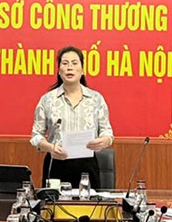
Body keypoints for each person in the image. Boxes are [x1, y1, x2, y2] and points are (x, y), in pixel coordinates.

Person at [30, 45, 114, 189]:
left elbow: (108, 133)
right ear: (59, 70)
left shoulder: (96, 99)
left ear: (82, 70)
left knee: (89, 209)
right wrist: (50, 147)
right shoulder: (47, 100)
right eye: (65, 63)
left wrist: (103, 141)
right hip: (56, 164)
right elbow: (36, 136)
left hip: (87, 166)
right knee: (54, 210)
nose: (70, 67)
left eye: (74, 63)